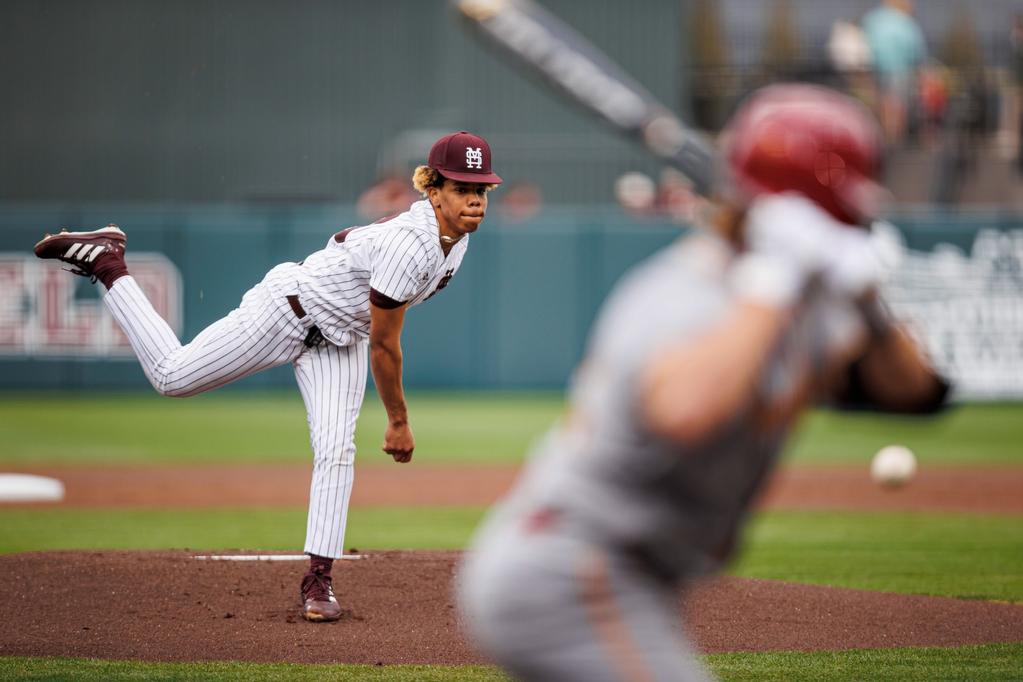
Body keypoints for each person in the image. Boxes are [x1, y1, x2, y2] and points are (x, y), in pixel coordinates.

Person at [457, 84, 949, 681]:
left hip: (640, 579)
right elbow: (683, 411)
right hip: (569, 571)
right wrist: (774, 277)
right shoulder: (684, 291)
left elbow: (914, 393)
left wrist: (870, 303)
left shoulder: (810, 305)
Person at [34, 131, 502, 623]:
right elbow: (386, 345)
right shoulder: (413, 245)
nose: (473, 199)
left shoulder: (457, 240)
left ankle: (318, 581)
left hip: (340, 339)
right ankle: (109, 264)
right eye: (459, 187)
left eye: (481, 189)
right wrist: (398, 420)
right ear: (432, 189)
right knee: (171, 377)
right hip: (288, 311)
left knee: (336, 448)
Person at [862, 0, 927, 145]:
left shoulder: (873, 18)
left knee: (881, 104)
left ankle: (880, 137)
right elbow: (917, 51)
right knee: (896, 106)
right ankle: (892, 139)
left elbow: (862, 40)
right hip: (899, 71)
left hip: (875, 69)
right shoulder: (907, 23)